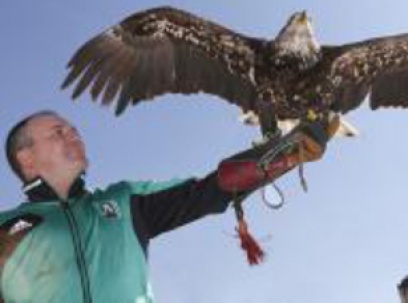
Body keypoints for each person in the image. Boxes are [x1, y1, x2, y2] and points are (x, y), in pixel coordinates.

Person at [0, 110, 333, 303]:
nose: (73, 133)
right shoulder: (7, 227)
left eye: (73, 128)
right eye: (58, 132)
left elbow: (211, 190)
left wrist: (287, 152)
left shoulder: (125, 201)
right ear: (26, 158)